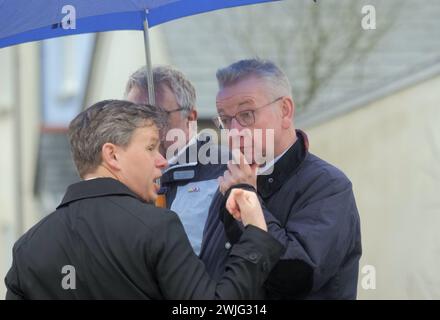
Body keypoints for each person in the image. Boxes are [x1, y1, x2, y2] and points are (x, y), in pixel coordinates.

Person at [4, 100, 283, 300]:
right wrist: (256, 235)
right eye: (151, 147)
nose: (162, 161)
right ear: (112, 155)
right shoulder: (158, 229)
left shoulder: (28, 248)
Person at [200, 58, 362, 299]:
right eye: (225, 120)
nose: (234, 132)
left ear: (285, 110)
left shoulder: (329, 187)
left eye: (246, 114)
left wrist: (249, 201)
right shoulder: (230, 182)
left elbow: (294, 278)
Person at [125, 66, 227, 255]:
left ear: (190, 118)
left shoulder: (227, 169)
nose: (145, 126)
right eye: (134, 116)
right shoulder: (122, 177)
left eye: (159, 115)